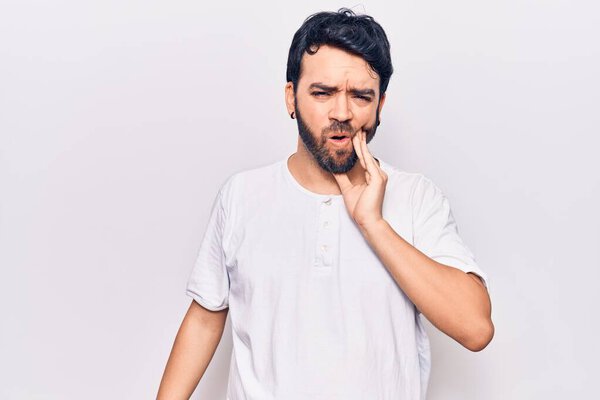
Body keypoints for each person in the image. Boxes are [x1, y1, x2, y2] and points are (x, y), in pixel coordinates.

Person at [157, 8, 494, 400]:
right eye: (323, 93)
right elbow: (204, 319)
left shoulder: (417, 198)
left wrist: (373, 224)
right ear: (291, 98)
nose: (342, 113)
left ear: (380, 105)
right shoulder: (241, 196)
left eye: (360, 96)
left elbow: (476, 328)